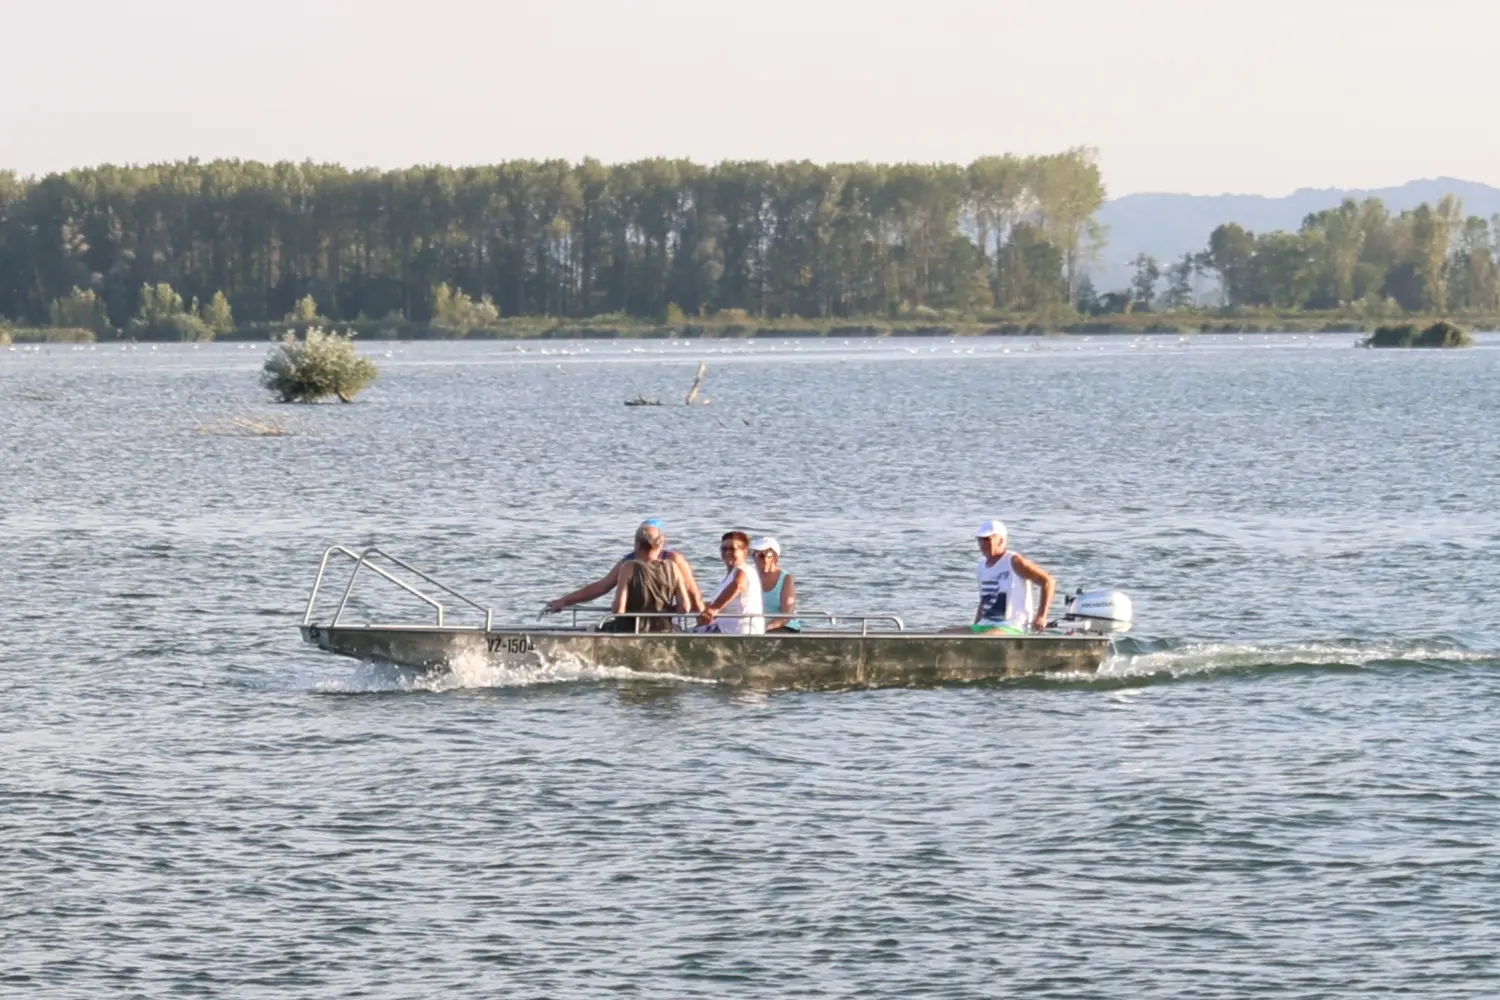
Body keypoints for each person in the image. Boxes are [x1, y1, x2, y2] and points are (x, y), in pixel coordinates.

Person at [545, 519, 704, 614]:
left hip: (636, 623)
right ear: (661, 542)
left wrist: (703, 624)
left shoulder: (673, 560)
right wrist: (565, 601)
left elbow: (693, 593)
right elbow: (602, 586)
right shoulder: (630, 561)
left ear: (636, 543)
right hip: (663, 623)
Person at [601, 522, 694, 633]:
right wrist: (669, 609)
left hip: (631, 629)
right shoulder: (673, 567)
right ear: (660, 544)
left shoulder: (628, 567)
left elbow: (618, 609)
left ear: (638, 544)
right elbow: (685, 607)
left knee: (597, 628)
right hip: (664, 629)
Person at [972, 519, 1055, 634]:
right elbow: (984, 602)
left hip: (1011, 627)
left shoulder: (1014, 561)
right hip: (986, 625)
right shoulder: (981, 567)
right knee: (943, 634)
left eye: (987, 539)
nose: (983, 544)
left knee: (983, 637)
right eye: (980, 539)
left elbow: (1048, 582)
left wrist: (1041, 616)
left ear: (1001, 541)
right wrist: (974, 627)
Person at [696, 531, 765, 634]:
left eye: (732, 549)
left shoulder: (743, 570)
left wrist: (715, 608)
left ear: (745, 552)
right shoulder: (728, 577)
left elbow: (739, 585)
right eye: (724, 549)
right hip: (723, 628)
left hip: (738, 629)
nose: (727, 552)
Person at [751, 536, 801, 633]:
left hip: (784, 626)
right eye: (755, 555)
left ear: (774, 557)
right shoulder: (750, 577)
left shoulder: (786, 579)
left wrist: (764, 628)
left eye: (762, 555)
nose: (758, 559)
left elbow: (786, 615)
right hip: (756, 626)